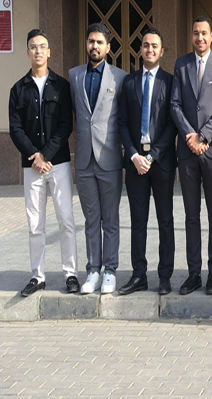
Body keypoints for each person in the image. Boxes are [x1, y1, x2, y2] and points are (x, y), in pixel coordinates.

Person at [9, 29, 79, 297]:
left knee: (66, 220)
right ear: (28, 52)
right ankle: (37, 276)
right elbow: (15, 129)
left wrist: (46, 155)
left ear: (49, 51)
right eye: (33, 47)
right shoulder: (18, 89)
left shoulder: (61, 86)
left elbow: (65, 125)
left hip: (57, 164)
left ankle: (70, 274)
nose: (38, 51)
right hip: (32, 167)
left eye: (42, 46)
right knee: (35, 224)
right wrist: (35, 156)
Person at [170, 16, 212, 295]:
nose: (200, 38)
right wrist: (190, 136)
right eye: (196, 33)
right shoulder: (181, 65)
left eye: (204, 33)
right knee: (191, 215)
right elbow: (175, 104)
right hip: (187, 151)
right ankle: (194, 273)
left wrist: (203, 136)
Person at [118, 27, 177, 296]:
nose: (149, 49)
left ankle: (164, 276)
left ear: (162, 51)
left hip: (161, 162)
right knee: (138, 221)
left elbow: (172, 124)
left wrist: (152, 156)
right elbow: (122, 123)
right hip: (135, 164)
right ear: (140, 49)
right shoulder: (129, 82)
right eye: (145, 45)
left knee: (165, 220)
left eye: (154, 46)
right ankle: (139, 274)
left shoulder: (170, 82)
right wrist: (134, 155)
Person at [69, 23, 127, 295]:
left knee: (110, 219)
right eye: (91, 41)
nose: (95, 46)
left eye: (100, 42)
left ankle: (111, 270)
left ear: (108, 47)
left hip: (109, 159)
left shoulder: (120, 78)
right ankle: (93, 270)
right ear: (87, 44)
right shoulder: (75, 76)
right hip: (84, 160)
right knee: (91, 219)